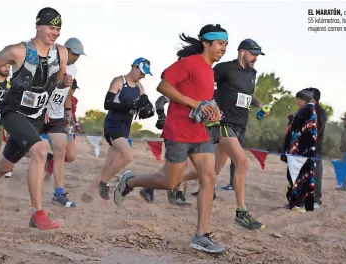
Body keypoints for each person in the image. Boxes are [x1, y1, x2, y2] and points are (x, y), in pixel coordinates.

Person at [112, 24, 227, 254]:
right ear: (206, 43)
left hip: (199, 131)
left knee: (209, 175)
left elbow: (201, 101)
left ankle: (201, 235)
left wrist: (212, 110)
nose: (224, 49)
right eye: (220, 44)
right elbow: (163, 85)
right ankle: (130, 181)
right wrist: (194, 103)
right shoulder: (189, 63)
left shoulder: (210, 70)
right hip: (179, 131)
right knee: (170, 183)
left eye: (226, 45)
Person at [0, 7, 73, 230]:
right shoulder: (18, 51)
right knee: (40, 150)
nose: (55, 32)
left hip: (36, 116)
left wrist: (66, 82)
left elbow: (58, 81)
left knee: (3, 166)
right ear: (38, 26)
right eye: (51, 27)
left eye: (58, 28)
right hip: (13, 112)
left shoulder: (61, 53)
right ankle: (37, 214)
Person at [179, 39, 266, 230]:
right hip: (223, 123)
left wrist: (260, 105)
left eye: (258, 54)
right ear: (242, 52)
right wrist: (205, 104)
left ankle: (171, 180)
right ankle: (241, 212)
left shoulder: (252, 74)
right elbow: (203, 82)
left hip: (240, 125)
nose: (256, 58)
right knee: (242, 162)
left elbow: (247, 96)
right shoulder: (225, 68)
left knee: (211, 172)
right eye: (253, 53)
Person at [81, 57, 154, 202]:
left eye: (145, 74)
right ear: (134, 67)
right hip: (113, 125)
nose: (143, 76)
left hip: (125, 127)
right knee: (128, 156)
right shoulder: (119, 81)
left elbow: (145, 102)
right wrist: (130, 105)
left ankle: (88, 194)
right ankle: (104, 183)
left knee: (108, 166)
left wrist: (149, 109)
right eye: (142, 72)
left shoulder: (139, 87)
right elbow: (107, 104)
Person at [42, 37, 85, 208]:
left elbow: (67, 92)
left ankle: (58, 193)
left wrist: (68, 114)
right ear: (66, 50)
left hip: (57, 114)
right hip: (40, 111)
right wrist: (44, 108)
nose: (77, 57)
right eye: (75, 54)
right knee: (19, 153)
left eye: (79, 55)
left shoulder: (74, 69)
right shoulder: (51, 61)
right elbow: (42, 85)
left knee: (61, 152)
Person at [139, 95, 191, 206]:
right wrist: (162, 116)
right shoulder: (179, 89)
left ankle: (178, 194)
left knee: (185, 166)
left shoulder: (200, 90)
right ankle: (149, 187)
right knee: (174, 166)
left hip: (189, 132)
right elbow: (160, 100)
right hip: (175, 132)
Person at [281, 89, 317, 212]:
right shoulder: (306, 111)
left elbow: (303, 131)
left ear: (304, 100)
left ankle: (298, 204)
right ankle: (295, 203)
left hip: (300, 151)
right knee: (294, 176)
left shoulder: (307, 110)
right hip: (299, 150)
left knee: (299, 176)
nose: (297, 101)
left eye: (299, 99)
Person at [304, 87, 327, 209]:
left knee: (315, 175)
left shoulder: (321, 112)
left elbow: (315, 130)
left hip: (315, 149)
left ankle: (316, 200)